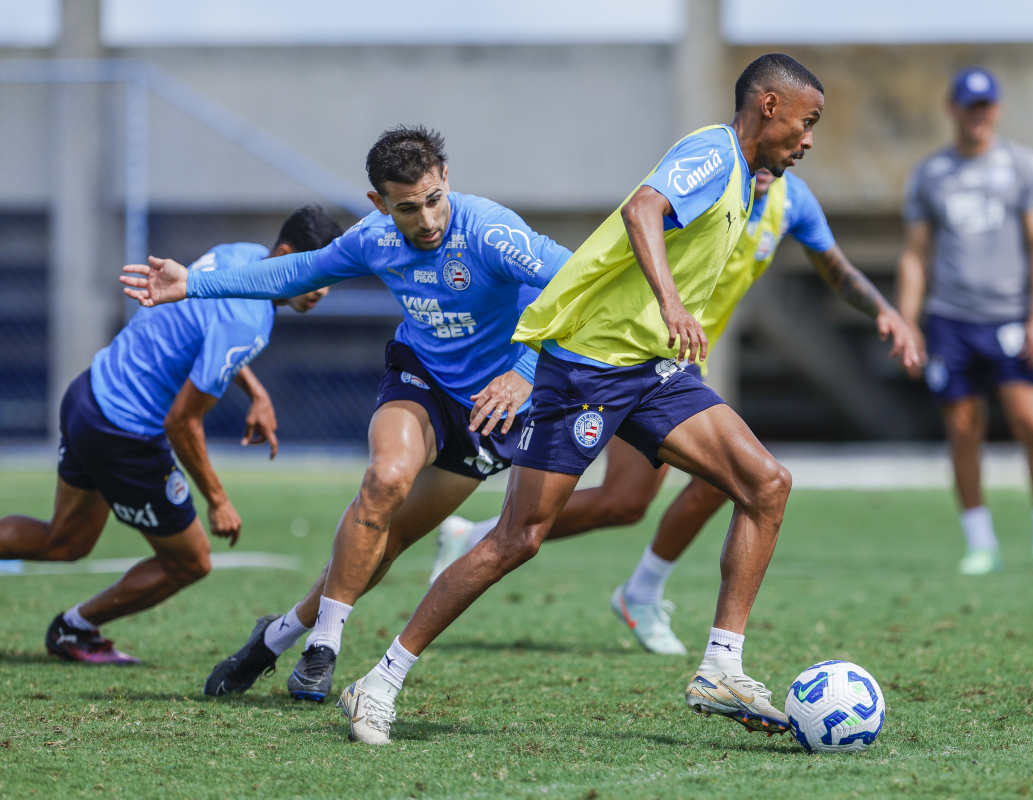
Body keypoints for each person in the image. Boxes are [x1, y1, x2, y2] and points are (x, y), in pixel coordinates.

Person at [313, 53, 840, 746]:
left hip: (651, 366)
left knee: (765, 483)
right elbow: (643, 209)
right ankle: (379, 682)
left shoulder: (750, 177)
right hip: (586, 368)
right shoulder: (711, 154)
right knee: (517, 539)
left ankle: (722, 665)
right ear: (769, 105)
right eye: (807, 122)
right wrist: (672, 301)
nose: (809, 138)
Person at [121, 126, 572, 701]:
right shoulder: (376, 238)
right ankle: (324, 645)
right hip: (423, 379)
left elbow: (575, 281)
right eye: (408, 208)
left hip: (491, 407)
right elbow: (296, 272)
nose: (428, 220)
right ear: (379, 204)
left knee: (389, 541)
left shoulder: (490, 231)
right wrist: (196, 284)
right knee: (384, 482)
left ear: (447, 182)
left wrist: (525, 370)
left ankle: (277, 636)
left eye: (434, 200)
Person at [431, 166, 921, 655]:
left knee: (713, 485)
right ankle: (486, 542)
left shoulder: (792, 201)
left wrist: (884, 311)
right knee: (630, 502)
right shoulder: (706, 177)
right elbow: (624, 238)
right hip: (631, 354)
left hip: (683, 363)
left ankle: (637, 590)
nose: (787, 154)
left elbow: (835, 266)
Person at [0, 206, 342, 664]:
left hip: (89, 395)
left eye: (329, 275)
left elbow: (200, 332)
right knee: (191, 561)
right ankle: (74, 629)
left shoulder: (238, 255)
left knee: (64, 541)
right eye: (312, 272)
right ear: (284, 255)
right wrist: (218, 500)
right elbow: (181, 423)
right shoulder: (251, 320)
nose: (322, 288)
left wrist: (256, 392)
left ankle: (73, 629)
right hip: (125, 433)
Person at [896, 67, 1033, 577]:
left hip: (1012, 315)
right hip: (951, 317)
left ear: (995, 110)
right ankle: (980, 542)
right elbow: (915, 255)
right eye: (968, 106)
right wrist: (908, 320)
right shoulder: (930, 174)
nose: (977, 116)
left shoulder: (1024, 167)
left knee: (1032, 420)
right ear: (953, 109)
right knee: (962, 427)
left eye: (985, 106)